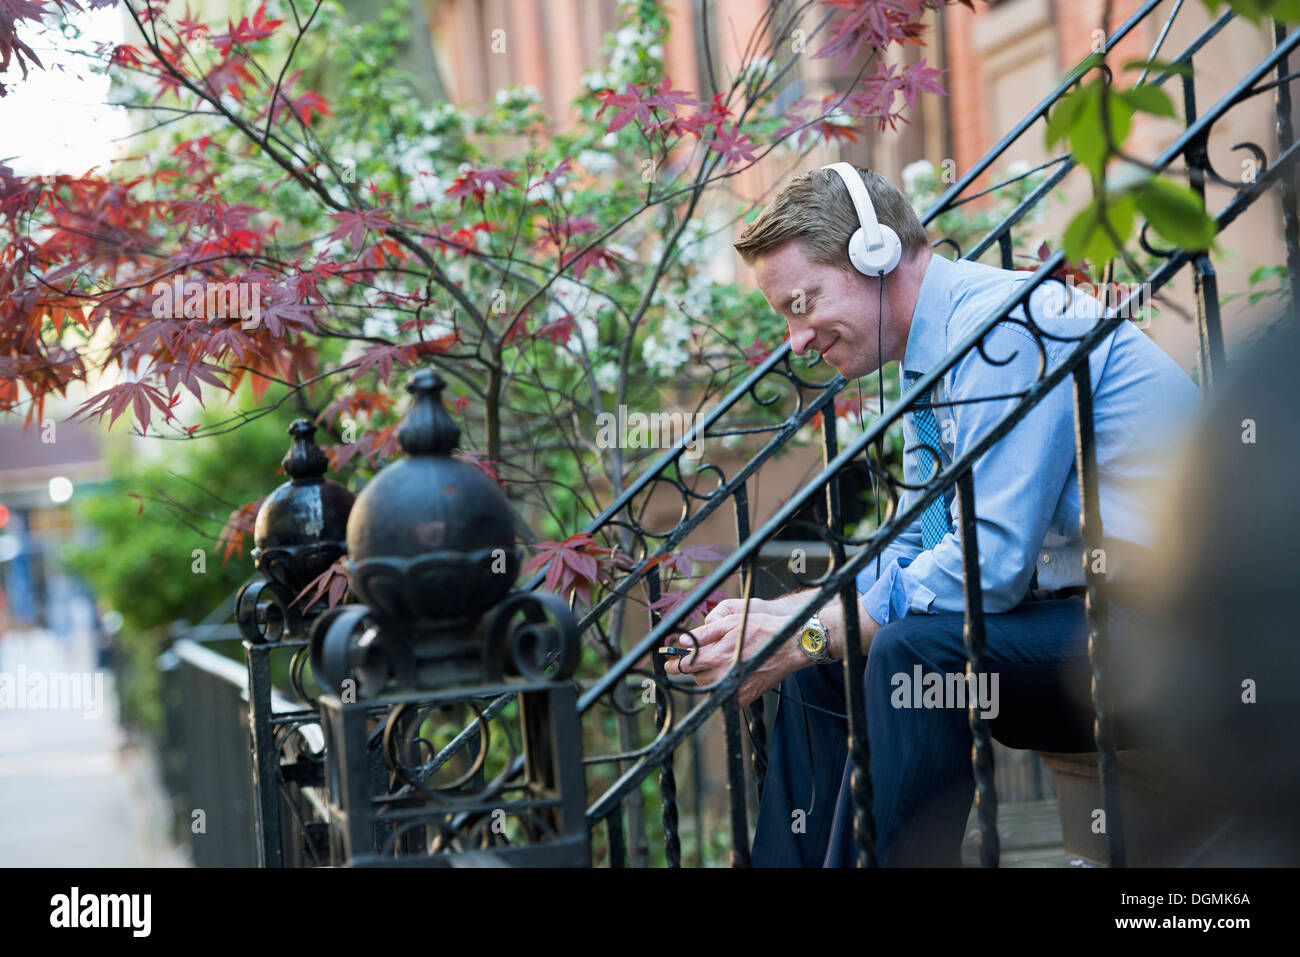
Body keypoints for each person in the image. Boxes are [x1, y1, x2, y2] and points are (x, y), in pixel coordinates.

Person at [663, 164, 1201, 866]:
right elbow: (927, 541)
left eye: (802, 303)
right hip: (1085, 621)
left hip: (1180, 640)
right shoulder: (934, 361)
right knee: (827, 658)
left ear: (873, 253)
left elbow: (987, 568)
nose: (795, 339)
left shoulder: (1003, 331)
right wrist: (791, 624)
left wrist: (816, 630)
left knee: (907, 650)